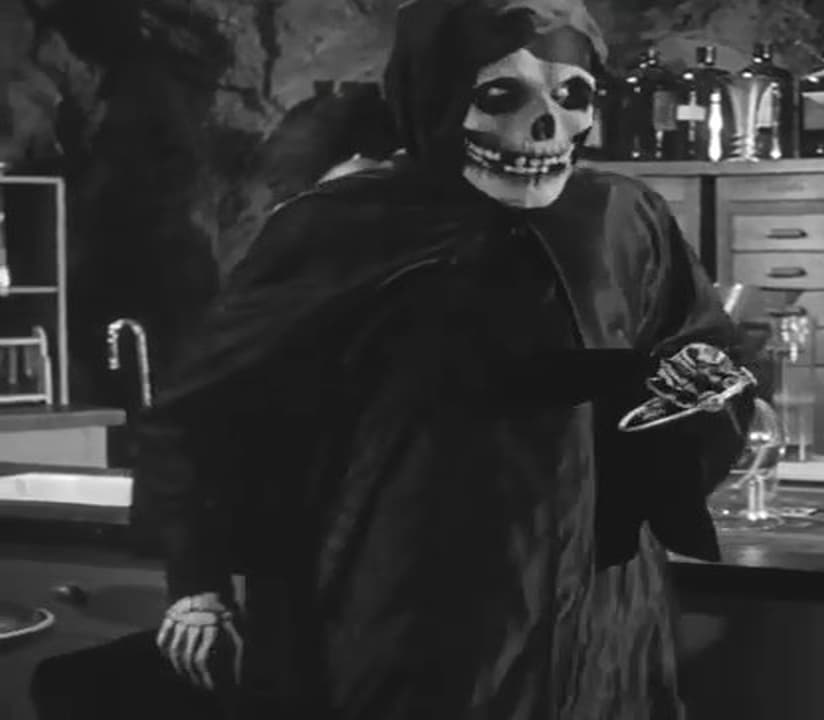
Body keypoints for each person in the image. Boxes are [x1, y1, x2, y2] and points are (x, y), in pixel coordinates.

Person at [124, 0, 754, 718]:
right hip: (402, 609)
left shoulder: (622, 217)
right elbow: (207, 412)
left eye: (572, 96)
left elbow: (705, 352)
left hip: (599, 613)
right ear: (435, 90)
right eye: (501, 94)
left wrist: (700, 401)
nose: (546, 127)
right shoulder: (338, 227)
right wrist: (197, 582)